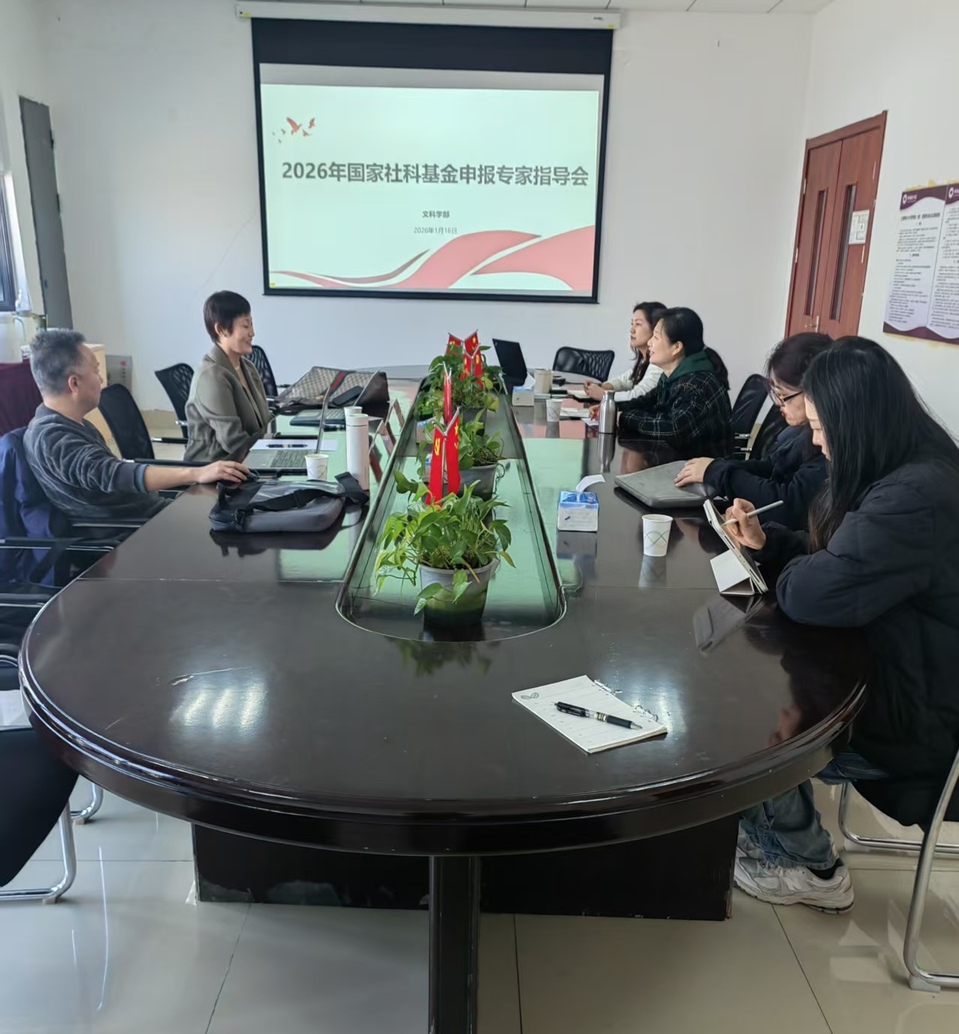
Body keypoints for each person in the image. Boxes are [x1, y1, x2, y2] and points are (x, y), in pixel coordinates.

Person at [726, 337, 959, 913]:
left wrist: (790, 569)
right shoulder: (907, 464)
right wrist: (770, 543)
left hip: (923, 718)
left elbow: (817, 591)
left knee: (743, 709)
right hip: (903, 669)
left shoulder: (915, 497)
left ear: (857, 423)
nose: (816, 441)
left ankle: (807, 864)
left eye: (821, 428)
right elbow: (840, 559)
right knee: (761, 673)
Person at [24, 329, 247, 523]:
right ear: (74, 383)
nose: (101, 379)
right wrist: (196, 473)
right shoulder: (51, 437)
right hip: (133, 534)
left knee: (244, 505)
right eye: (96, 371)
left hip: (152, 514)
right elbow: (114, 475)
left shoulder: (70, 424)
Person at [674, 333, 832, 529]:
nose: (779, 404)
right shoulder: (800, 432)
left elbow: (787, 504)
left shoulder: (829, 447)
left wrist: (719, 473)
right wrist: (715, 468)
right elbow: (771, 466)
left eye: (784, 396)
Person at [616, 307, 732, 458]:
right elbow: (647, 401)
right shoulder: (673, 375)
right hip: (677, 462)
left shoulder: (697, 385)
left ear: (676, 347)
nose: (649, 343)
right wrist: (612, 408)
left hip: (701, 470)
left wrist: (623, 418)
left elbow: (673, 429)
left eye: (656, 337)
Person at [184, 291, 272, 463]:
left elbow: (263, 423)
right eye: (245, 326)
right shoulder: (211, 377)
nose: (252, 333)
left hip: (245, 461)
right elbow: (234, 442)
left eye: (251, 324)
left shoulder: (247, 367)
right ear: (221, 329)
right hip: (215, 470)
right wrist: (272, 452)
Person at [583, 301, 667, 403]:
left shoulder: (658, 363)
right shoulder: (644, 360)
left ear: (656, 329)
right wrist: (602, 387)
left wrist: (603, 395)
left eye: (638, 324)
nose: (632, 330)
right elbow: (624, 381)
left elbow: (639, 396)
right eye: (632, 324)